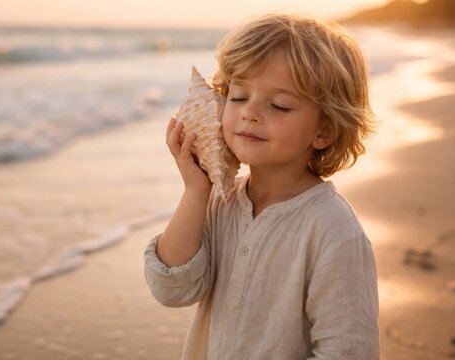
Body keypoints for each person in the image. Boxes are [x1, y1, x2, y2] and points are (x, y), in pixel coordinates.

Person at [144, 13, 379, 359]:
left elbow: (347, 349)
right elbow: (172, 289)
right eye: (238, 97)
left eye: (279, 104)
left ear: (323, 130)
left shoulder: (333, 230)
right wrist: (195, 190)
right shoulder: (219, 202)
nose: (250, 113)